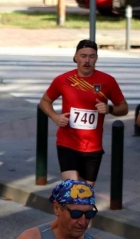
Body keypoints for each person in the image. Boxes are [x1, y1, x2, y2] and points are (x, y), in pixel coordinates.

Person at [39, 40, 127, 186]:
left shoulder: (107, 81)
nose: (87, 61)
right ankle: (67, 206)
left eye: (91, 56)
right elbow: (44, 101)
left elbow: (123, 107)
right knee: (72, 190)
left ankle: (70, 208)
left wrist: (110, 109)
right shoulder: (63, 80)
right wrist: (55, 117)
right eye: (83, 56)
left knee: (85, 195)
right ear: (76, 57)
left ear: (96, 58)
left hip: (93, 146)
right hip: (67, 143)